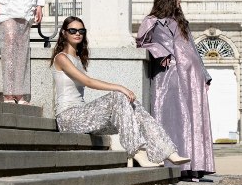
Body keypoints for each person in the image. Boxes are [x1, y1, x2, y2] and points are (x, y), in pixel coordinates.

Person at [51, 16, 190, 167]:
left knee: (133, 107)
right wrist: (120, 87)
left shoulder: (79, 58)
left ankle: (168, 150)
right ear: (64, 33)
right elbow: (88, 82)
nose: (77, 33)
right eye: (73, 30)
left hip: (82, 116)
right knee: (118, 96)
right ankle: (137, 151)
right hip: (68, 118)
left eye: (81, 31)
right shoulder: (61, 58)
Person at [137, 0, 215, 181]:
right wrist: (159, 51)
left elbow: (194, 49)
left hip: (192, 75)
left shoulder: (181, 22)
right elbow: (140, 42)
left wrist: (204, 74)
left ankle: (194, 166)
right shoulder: (151, 21)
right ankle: (173, 164)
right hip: (169, 74)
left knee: (194, 119)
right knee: (174, 117)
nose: (180, 1)